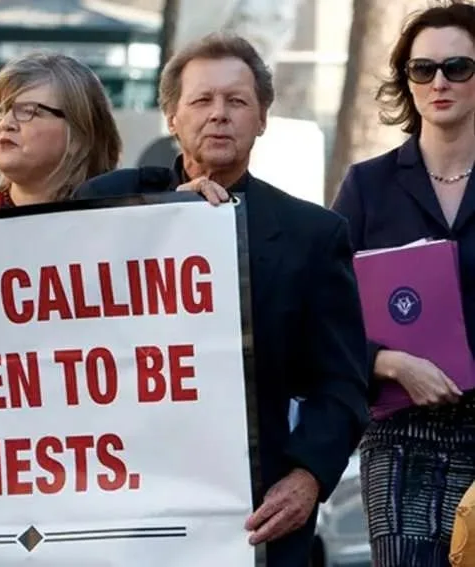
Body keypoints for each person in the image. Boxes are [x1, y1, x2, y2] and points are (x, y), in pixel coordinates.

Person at [73, 32, 369, 565]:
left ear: (262, 119)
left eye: (237, 101)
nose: (219, 114)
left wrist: (307, 477)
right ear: (171, 117)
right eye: (202, 100)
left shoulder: (311, 235)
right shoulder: (110, 203)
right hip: (124, 501)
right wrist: (165, 219)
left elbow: (342, 383)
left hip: (254, 512)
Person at [331, 4, 475, 565]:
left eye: (458, 67)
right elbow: (327, 313)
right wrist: (389, 363)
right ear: (406, 81)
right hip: (401, 437)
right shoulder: (368, 187)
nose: (439, 82)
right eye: (422, 69)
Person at [0, 51, 122, 214]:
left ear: (79, 137)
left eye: (28, 111)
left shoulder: (115, 220)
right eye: (0, 110)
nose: (6, 123)